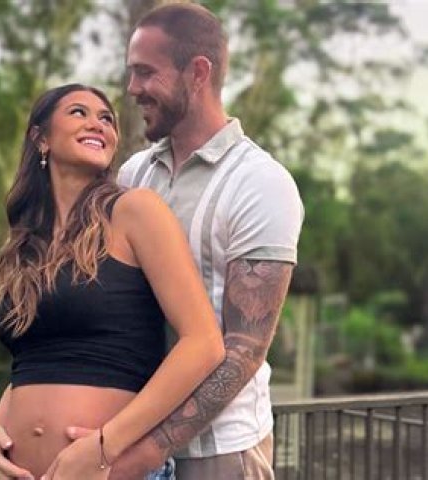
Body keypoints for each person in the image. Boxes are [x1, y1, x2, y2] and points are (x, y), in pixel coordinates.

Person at [65, 4, 304, 479]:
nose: (132, 88)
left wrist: (142, 455)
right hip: (123, 436)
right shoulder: (133, 175)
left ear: (197, 73)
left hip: (219, 453)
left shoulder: (261, 183)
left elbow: (244, 350)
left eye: (145, 72)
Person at [0, 83, 225, 480]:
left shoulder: (134, 211)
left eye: (106, 118)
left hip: (111, 471)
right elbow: (36, 359)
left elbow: (204, 344)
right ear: (40, 138)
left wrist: (104, 446)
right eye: (79, 112)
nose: (98, 124)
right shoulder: (25, 244)